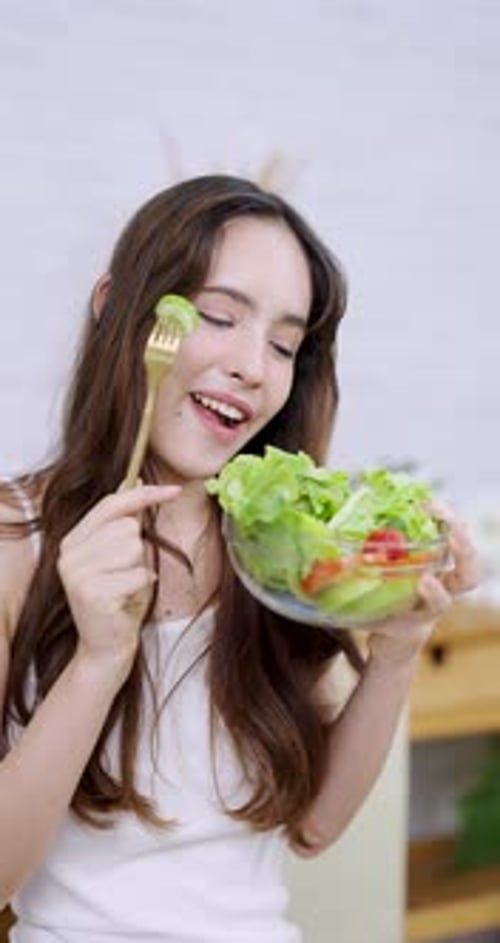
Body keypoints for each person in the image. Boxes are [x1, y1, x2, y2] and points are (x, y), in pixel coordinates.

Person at [0, 174, 478, 943]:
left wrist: (396, 651)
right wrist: (98, 658)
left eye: (284, 344)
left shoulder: (278, 543)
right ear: (114, 308)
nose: (254, 365)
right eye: (219, 316)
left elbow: (313, 825)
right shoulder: (15, 539)